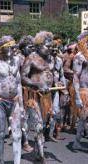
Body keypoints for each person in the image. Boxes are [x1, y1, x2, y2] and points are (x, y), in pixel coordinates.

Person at [0, 36, 24, 164]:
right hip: (0, 101)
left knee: (17, 134)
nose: (14, 49)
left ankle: (17, 162)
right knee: (1, 134)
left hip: (15, 100)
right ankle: (1, 161)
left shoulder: (17, 60)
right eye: (11, 47)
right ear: (3, 48)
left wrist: (22, 105)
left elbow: (19, 83)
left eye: (14, 47)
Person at [21, 31, 55, 163]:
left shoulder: (50, 58)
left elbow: (50, 73)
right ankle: (41, 156)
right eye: (48, 46)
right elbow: (23, 77)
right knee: (39, 126)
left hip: (47, 96)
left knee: (45, 124)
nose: (50, 48)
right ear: (39, 46)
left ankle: (37, 152)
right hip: (34, 96)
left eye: (51, 46)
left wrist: (56, 82)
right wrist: (36, 84)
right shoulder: (31, 58)